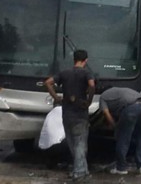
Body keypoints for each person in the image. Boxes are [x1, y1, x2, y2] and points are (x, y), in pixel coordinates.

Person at [45, 50, 95, 182]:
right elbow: (92, 85)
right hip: (80, 113)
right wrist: (89, 101)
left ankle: (83, 170)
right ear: (86, 60)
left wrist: (56, 97)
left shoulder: (64, 73)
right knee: (80, 143)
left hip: (66, 113)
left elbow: (48, 82)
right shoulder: (86, 73)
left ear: (74, 59)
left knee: (72, 143)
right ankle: (79, 172)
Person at [99, 87, 141, 175]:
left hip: (131, 108)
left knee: (123, 138)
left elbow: (106, 114)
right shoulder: (120, 91)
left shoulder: (103, 98)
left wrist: (115, 126)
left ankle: (121, 168)